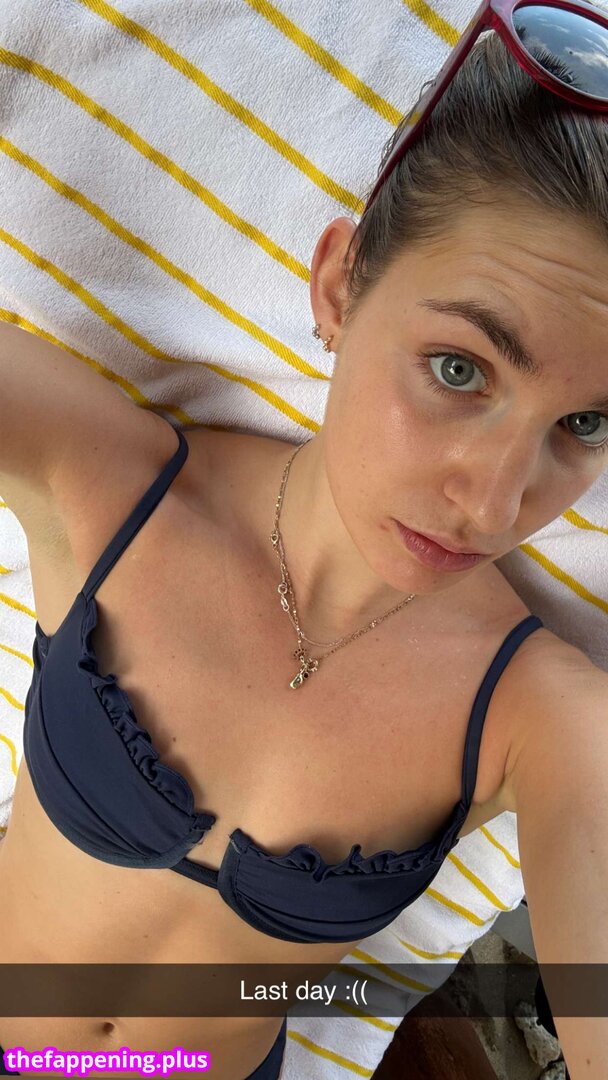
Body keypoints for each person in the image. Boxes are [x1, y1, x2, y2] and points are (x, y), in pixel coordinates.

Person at [0, 1, 607, 1076]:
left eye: (586, 424)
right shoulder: (116, 490)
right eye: (458, 368)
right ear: (338, 284)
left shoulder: (539, 715)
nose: (493, 502)